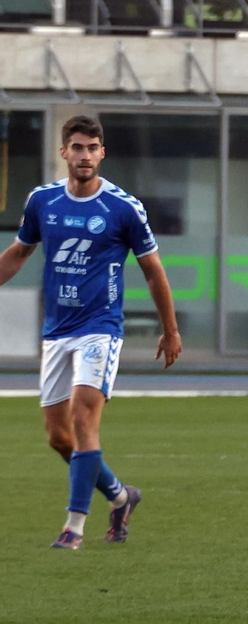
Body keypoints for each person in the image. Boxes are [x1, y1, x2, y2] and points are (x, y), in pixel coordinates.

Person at [0, 115, 182, 549]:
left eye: (92, 147)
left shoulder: (123, 208)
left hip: (100, 329)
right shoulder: (42, 201)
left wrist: (170, 330)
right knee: (59, 439)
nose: (85, 155)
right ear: (64, 152)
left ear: (102, 153)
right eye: (77, 147)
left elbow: (154, 273)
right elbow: (19, 252)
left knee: (84, 420)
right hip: (57, 332)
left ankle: (73, 528)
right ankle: (120, 496)